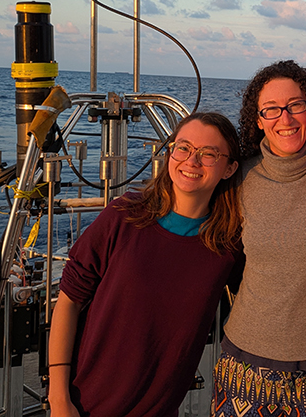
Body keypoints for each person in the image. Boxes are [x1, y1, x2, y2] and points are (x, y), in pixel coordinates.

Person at [48, 112, 244, 417]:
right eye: (184, 148)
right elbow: (69, 300)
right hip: (84, 405)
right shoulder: (123, 217)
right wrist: (59, 399)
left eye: (209, 154)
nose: (192, 161)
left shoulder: (226, 246)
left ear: (230, 168)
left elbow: (269, 287)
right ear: (170, 153)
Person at [212, 60, 306, 417]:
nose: (286, 118)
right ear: (258, 119)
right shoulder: (239, 177)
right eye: (271, 110)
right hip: (246, 361)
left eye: (296, 104)